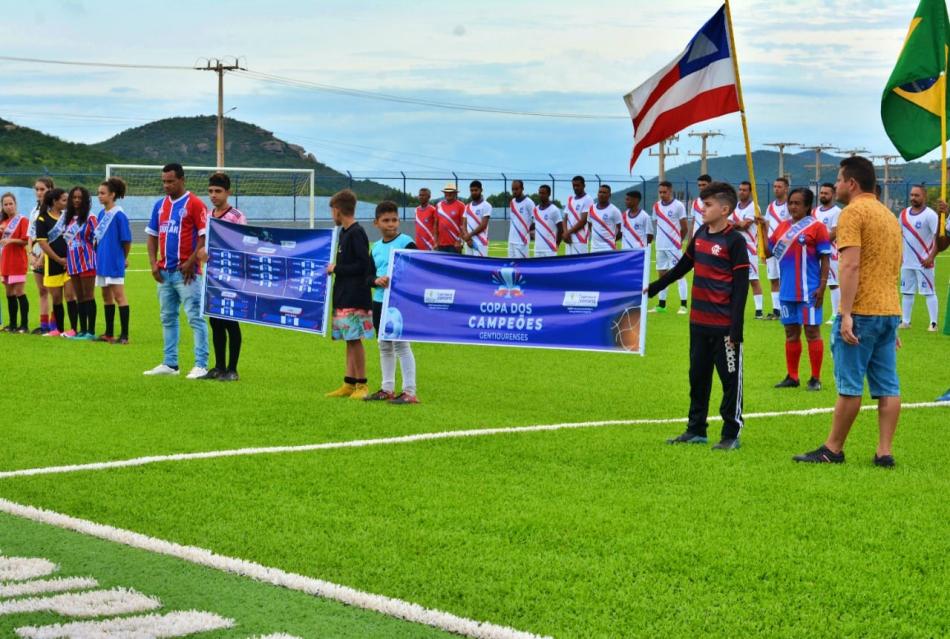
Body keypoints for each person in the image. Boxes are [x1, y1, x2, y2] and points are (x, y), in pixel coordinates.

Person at [794, 157, 902, 467]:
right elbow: (892, 266)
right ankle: (884, 452)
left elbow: (851, 264)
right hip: (887, 311)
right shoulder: (888, 214)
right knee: (888, 385)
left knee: (850, 385)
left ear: (851, 183)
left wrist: (846, 312)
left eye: (839, 180)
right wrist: (892, 317)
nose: (836, 185)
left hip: (862, 310)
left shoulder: (852, 213)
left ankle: (833, 449)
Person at [646, 182, 749, 449]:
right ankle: (696, 430)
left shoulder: (734, 241)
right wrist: (653, 289)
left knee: (730, 382)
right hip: (698, 324)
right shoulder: (702, 233)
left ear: (724, 209)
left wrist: (735, 329)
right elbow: (682, 267)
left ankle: (730, 434)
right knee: (698, 378)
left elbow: (740, 288)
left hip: (724, 327)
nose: (702, 209)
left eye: (708, 205)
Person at [758, 188, 831, 391]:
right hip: (787, 291)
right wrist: (764, 229)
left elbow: (826, 258)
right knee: (791, 332)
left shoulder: (817, 227)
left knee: (812, 332)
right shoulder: (782, 227)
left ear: (808, 206)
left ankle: (815, 378)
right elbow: (768, 252)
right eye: (791, 203)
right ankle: (792, 376)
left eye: (797, 203)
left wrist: (822, 287)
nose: (793, 207)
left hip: (810, 291)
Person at [143, 163, 210, 379]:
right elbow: (152, 235)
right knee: (168, 317)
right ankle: (170, 363)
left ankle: (201, 364)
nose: (166, 185)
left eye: (170, 181)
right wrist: (153, 263)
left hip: (187, 274)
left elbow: (204, 236)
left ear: (182, 180)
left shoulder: (195, 204)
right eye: (164, 181)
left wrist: (191, 261)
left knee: (195, 317)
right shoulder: (160, 205)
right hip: (165, 273)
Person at [366, 200, 419, 404]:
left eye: (394, 220)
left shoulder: (407, 242)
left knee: (402, 346)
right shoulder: (376, 248)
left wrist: (397, 280)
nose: (391, 224)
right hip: (379, 301)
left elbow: (418, 270)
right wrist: (375, 280)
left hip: (398, 303)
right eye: (386, 220)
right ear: (376, 223)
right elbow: (367, 276)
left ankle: (409, 392)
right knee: (384, 345)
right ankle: (387, 388)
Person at [325, 189, 374, 399]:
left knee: (356, 340)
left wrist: (336, 269)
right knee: (348, 338)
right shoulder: (343, 232)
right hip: (343, 294)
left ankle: (362, 385)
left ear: (337, 210)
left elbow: (363, 266)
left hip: (356, 296)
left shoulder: (357, 232)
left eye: (332, 211)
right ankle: (349, 383)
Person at [200, 172, 247, 381]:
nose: (213, 195)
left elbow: (245, 244)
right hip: (212, 276)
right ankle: (218, 367)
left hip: (232, 277)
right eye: (210, 191)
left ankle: (232, 369)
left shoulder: (236, 216)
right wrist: (202, 252)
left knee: (230, 321)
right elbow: (204, 242)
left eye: (218, 191)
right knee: (215, 321)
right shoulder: (208, 215)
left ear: (228, 192)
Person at [94, 177, 132, 344]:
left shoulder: (119, 215)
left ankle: (124, 335)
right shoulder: (102, 214)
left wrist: (123, 258)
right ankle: (108, 333)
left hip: (114, 261)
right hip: (102, 261)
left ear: (112, 194)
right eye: (98, 193)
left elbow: (126, 240)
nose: (99, 196)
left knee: (119, 297)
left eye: (102, 193)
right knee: (106, 296)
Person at [898, 185, 939, 332]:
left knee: (929, 292)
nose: (913, 198)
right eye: (911, 195)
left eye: (917, 195)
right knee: (906, 292)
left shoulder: (931, 215)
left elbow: (937, 238)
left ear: (924, 197)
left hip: (924, 262)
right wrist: (900, 256)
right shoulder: (903, 214)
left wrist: (931, 257)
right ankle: (905, 321)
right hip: (907, 262)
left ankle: (933, 323)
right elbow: (899, 235)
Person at [33, 188, 69, 336]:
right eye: (64, 200)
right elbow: (42, 244)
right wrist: (58, 259)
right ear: (55, 201)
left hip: (69, 263)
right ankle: (58, 330)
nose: (67, 203)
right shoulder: (42, 219)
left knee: (71, 296)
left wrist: (68, 259)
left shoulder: (68, 217)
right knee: (57, 298)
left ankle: (74, 329)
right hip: (53, 264)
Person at [650, 180, 689, 314]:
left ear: (670, 191)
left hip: (674, 247)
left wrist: (678, 241)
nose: (662, 194)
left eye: (664, 192)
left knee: (679, 274)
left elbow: (684, 227)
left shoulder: (678, 206)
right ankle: (662, 305)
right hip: (660, 246)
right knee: (662, 275)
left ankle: (683, 305)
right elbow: (657, 224)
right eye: (660, 192)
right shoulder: (656, 206)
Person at [64, 186, 98, 340]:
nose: (77, 200)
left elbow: (98, 238)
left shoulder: (91, 218)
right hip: (72, 261)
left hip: (87, 260)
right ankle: (82, 330)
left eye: (80, 198)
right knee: (79, 297)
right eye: (74, 197)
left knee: (89, 295)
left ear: (85, 200)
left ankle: (90, 331)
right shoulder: (68, 218)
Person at [731, 181, 765, 318]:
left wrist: (734, 224)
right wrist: (737, 224)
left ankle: (759, 311)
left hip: (749, 247)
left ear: (750, 192)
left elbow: (745, 225)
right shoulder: (734, 207)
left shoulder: (754, 207)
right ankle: (734, 308)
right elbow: (726, 223)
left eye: (745, 190)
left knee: (753, 279)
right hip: (734, 247)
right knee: (733, 279)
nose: (741, 192)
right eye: (740, 189)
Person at [0, 193, 30, 332]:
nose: (8, 206)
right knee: (9, 294)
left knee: (19, 292)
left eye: (10, 203)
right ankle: (12, 325)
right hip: (6, 261)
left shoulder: (22, 220)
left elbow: (25, 241)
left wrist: (11, 240)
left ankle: (24, 325)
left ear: (15, 204)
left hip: (18, 261)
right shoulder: (3, 222)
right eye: (5, 204)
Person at [27, 177, 54, 334]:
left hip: (49, 256)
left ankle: (54, 326)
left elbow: (52, 237)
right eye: (37, 189)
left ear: (50, 189)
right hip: (36, 255)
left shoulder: (55, 210)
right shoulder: (34, 210)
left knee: (54, 292)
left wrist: (42, 257)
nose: (39, 192)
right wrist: (31, 254)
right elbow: (30, 235)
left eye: (42, 189)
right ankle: (43, 326)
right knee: (42, 291)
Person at [814, 183, 842, 325]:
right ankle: (815, 310)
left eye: (826, 193)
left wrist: (819, 244)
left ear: (833, 195)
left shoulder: (837, 211)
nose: (823, 195)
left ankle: (836, 314)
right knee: (816, 282)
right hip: (815, 253)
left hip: (831, 252)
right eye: (822, 193)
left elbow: (835, 232)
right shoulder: (815, 211)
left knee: (833, 283)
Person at [765, 177, 790, 319]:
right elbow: (767, 225)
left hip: (785, 247)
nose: (776, 189)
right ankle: (776, 310)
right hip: (771, 246)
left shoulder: (790, 205)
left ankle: (785, 308)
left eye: (779, 186)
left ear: (786, 188)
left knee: (784, 278)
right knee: (773, 278)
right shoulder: (770, 207)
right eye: (774, 186)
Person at [563, 176, 593, 255]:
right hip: (568, 238)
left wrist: (568, 233)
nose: (575, 188)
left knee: (581, 265)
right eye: (574, 186)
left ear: (584, 186)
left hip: (580, 239)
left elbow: (583, 220)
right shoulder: (570, 199)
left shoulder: (588, 199)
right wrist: (566, 233)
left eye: (578, 185)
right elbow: (565, 218)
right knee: (568, 265)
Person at [587, 184, 622, 252]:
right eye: (600, 192)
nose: (601, 194)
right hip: (594, 249)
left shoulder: (615, 210)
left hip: (608, 248)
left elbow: (621, 231)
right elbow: (590, 225)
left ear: (609, 195)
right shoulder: (591, 208)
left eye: (604, 192)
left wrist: (611, 239)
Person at [462, 180, 491, 257]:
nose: (474, 192)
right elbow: (464, 224)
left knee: (481, 267)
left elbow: (483, 225)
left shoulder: (486, 205)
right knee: (468, 267)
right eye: (471, 190)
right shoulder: (467, 206)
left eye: (476, 190)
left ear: (481, 190)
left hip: (481, 243)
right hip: (468, 243)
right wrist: (468, 238)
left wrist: (469, 235)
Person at [532, 185, 563, 257]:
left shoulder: (554, 210)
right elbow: (535, 226)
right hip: (537, 250)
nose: (541, 195)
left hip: (550, 250)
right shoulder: (535, 209)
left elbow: (561, 229)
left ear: (549, 194)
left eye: (543, 193)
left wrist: (557, 244)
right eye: (539, 193)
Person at [434, 183, 464, 253]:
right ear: (444, 193)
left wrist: (459, 240)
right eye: (446, 192)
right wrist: (435, 242)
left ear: (455, 193)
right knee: (441, 264)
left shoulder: (461, 205)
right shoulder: (439, 205)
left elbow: (463, 225)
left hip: (455, 245)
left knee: (455, 264)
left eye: (451, 192)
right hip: (440, 244)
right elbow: (436, 225)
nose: (448, 193)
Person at [507, 180, 533, 258]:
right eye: (513, 189)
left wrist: (527, 232)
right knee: (511, 266)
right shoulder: (512, 202)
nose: (514, 191)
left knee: (521, 267)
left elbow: (536, 220)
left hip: (522, 242)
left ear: (522, 189)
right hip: (511, 240)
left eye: (516, 189)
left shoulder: (529, 202)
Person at [688, 174, 712, 241]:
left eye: (704, 185)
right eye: (699, 185)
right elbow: (693, 223)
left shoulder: (716, 202)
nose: (701, 187)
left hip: (710, 240)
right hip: (696, 239)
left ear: (710, 185)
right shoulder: (695, 202)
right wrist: (689, 242)